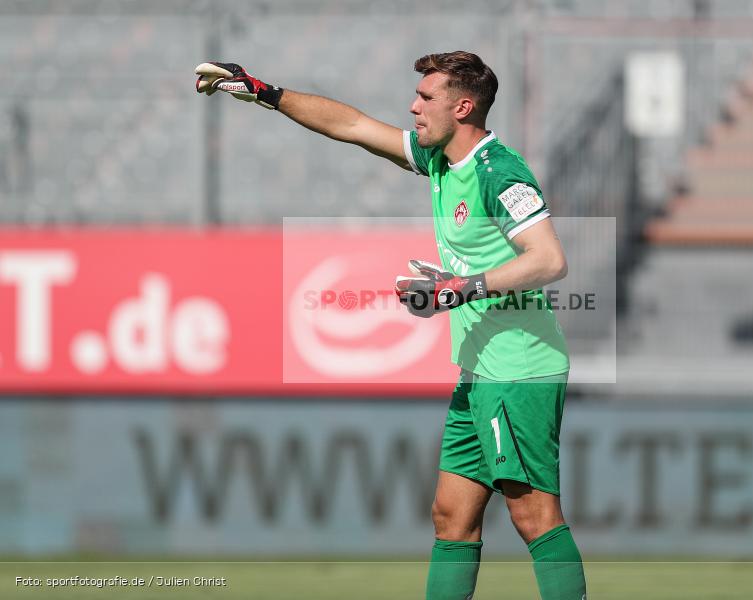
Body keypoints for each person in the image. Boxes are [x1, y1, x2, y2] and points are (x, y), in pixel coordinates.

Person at [195, 51, 587, 600]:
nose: (413, 106)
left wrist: (457, 287)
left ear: (464, 107)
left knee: (535, 515)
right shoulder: (438, 160)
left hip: (519, 369)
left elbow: (548, 259)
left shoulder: (501, 171)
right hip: (479, 369)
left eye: (427, 99)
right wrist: (267, 93)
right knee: (451, 517)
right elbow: (353, 125)